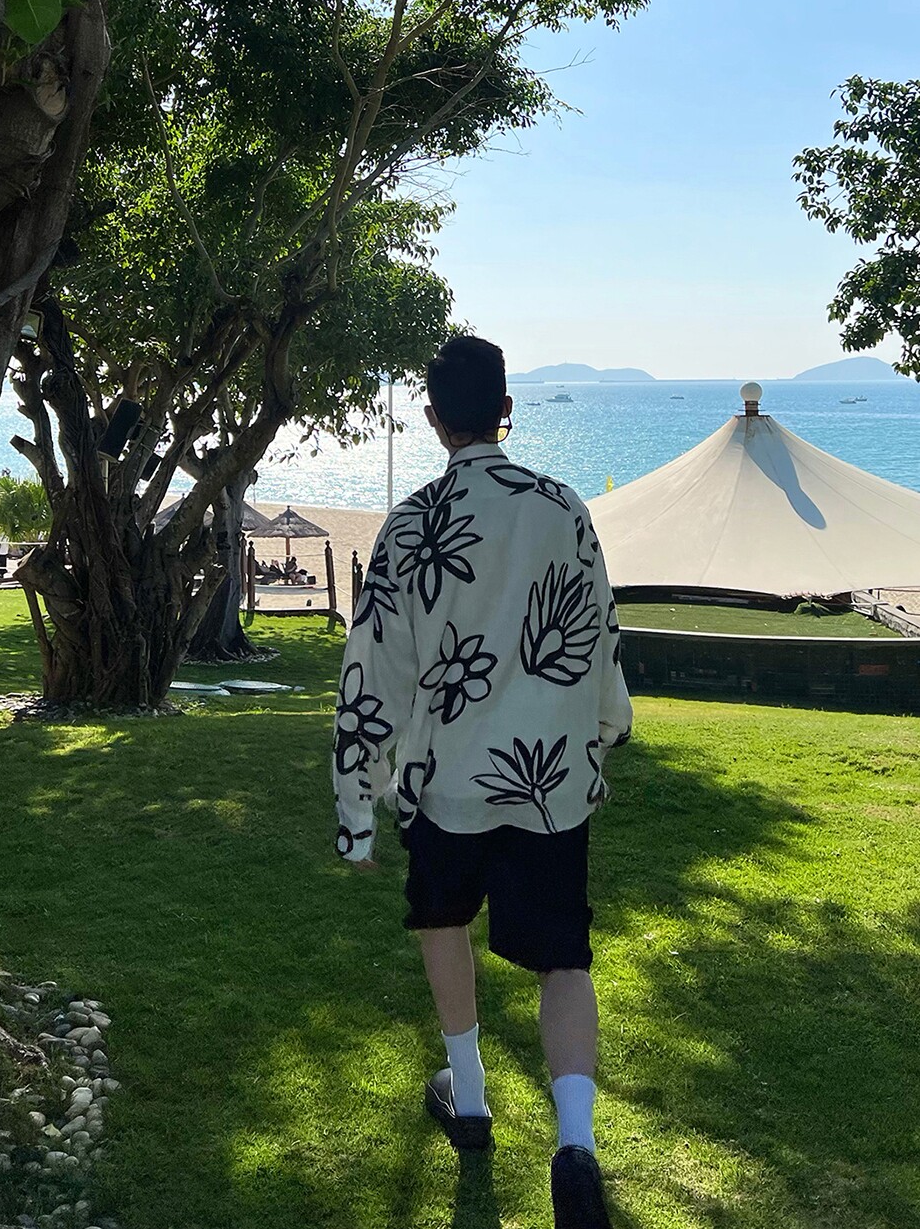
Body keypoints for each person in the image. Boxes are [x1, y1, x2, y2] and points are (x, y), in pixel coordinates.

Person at [332, 336, 632, 1229]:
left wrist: (357, 810)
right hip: (547, 783)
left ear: (433, 420)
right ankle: (574, 1142)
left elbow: (372, 674)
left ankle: (469, 1094)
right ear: (507, 409)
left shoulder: (410, 525)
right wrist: (603, 733)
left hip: (447, 781)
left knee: (442, 920)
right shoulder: (564, 509)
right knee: (564, 958)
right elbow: (600, 640)